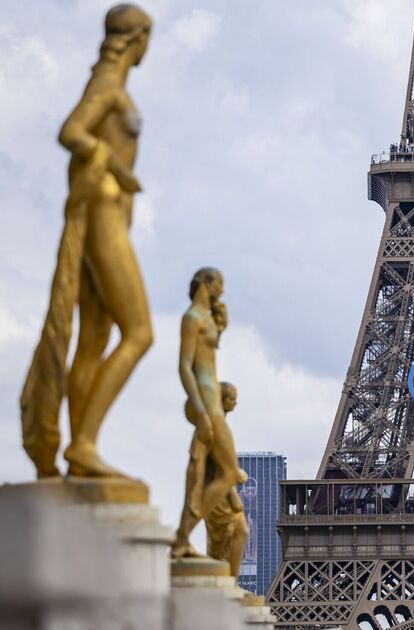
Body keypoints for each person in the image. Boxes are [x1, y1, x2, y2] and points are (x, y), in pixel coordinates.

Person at [21, 3, 154, 479]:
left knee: (95, 338)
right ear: (137, 37)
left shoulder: (111, 84)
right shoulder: (108, 85)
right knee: (140, 331)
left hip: (107, 210)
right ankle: (82, 443)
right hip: (103, 212)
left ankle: (82, 449)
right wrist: (117, 168)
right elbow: (71, 131)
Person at [172, 267, 239, 559]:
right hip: (208, 406)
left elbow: (207, 357)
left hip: (213, 402)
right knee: (229, 473)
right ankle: (183, 535)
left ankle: (183, 535)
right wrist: (200, 411)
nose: (222, 290)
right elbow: (184, 365)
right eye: (220, 284)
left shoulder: (206, 318)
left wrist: (220, 325)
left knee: (223, 473)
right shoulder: (192, 318)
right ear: (206, 284)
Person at [203, 382, 250, 575]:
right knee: (220, 544)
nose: (236, 403)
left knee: (241, 533)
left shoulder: (221, 425)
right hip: (217, 494)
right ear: (222, 401)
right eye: (232, 398)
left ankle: (231, 580)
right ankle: (225, 580)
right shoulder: (212, 425)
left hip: (226, 492)